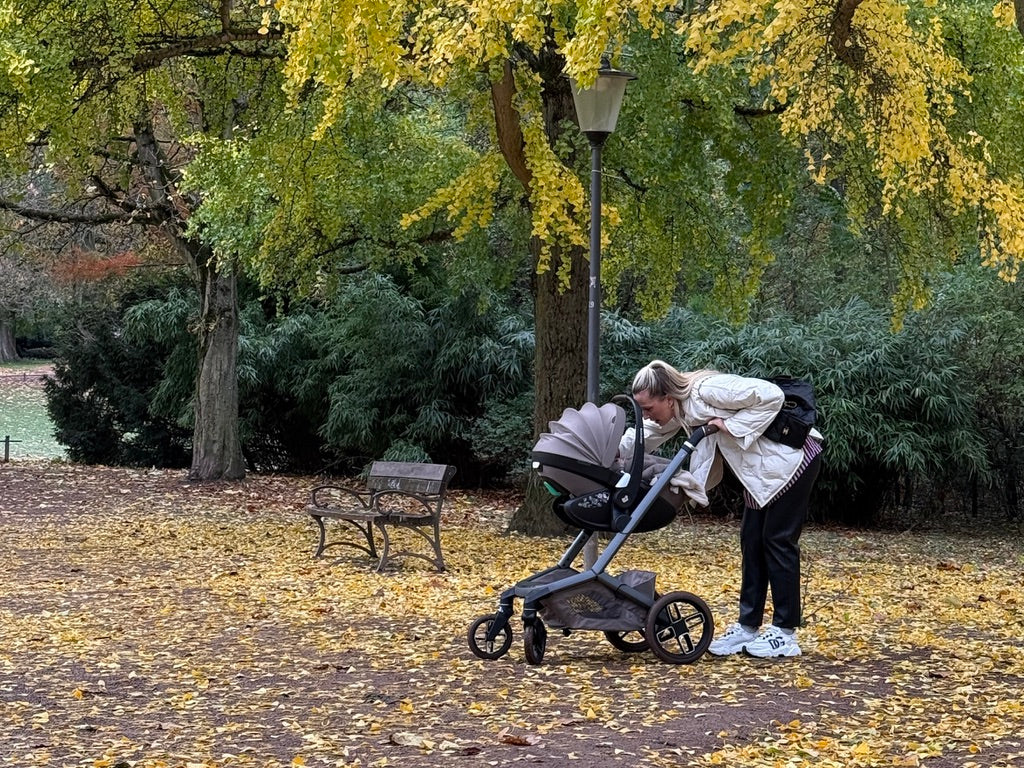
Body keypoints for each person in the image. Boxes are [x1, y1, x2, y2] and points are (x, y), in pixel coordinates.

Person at [620, 360, 823, 658]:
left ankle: (785, 633)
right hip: (763, 472)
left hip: (793, 458)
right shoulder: (682, 409)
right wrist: (613, 447)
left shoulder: (706, 389)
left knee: (777, 540)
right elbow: (647, 432)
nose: (646, 415)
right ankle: (747, 627)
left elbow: (770, 395)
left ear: (667, 398)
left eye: (648, 407)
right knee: (752, 542)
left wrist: (729, 426)